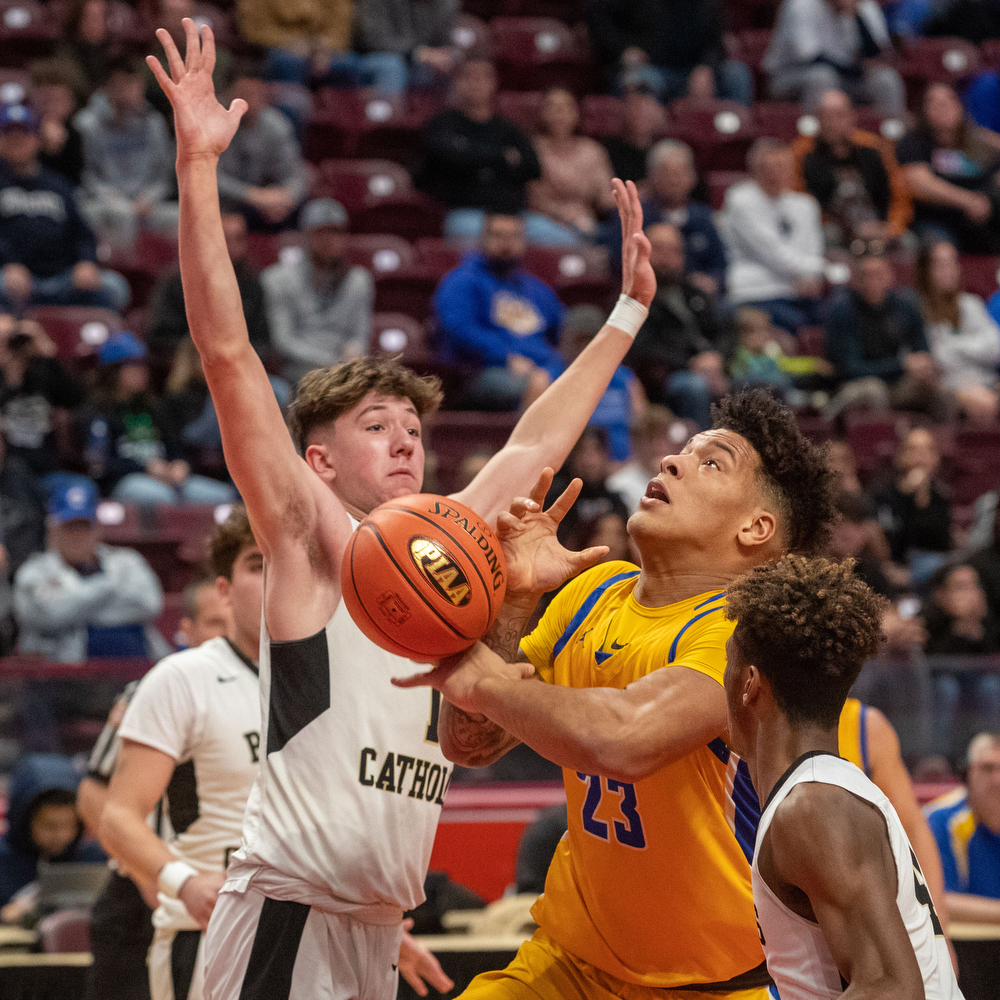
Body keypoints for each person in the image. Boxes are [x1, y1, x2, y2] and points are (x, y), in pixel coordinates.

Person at [146, 18, 658, 1000]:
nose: (405, 441)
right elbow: (227, 356)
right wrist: (199, 169)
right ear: (318, 458)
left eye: (412, 427)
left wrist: (624, 316)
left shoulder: (445, 551)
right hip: (286, 914)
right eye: (377, 426)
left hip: (377, 926)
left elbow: (530, 448)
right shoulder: (307, 537)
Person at [396, 388, 836, 1000]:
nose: (673, 462)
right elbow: (469, 742)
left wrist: (485, 678)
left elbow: (624, 739)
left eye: (712, 463)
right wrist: (514, 603)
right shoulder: (593, 590)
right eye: (681, 452)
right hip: (571, 965)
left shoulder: (749, 634)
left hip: (718, 984)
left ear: (756, 528)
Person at [721, 554, 960, 999]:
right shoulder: (823, 791)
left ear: (749, 683)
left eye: (727, 664)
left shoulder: (812, 807)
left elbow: (892, 989)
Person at [97, 507, 264, 1000]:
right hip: (210, 929)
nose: (276, 578)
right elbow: (117, 818)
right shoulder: (181, 677)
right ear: (225, 591)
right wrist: (183, 881)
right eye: (257, 564)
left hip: (313, 926)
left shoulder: (323, 680)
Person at [77, 577, 231, 1000]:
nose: (226, 632)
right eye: (215, 623)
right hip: (142, 890)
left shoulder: (268, 689)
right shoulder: (152, 689)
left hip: (218, 888)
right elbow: (93, 795)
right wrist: (146, 868)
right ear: (188, 629)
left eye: (231, 621)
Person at [13, 477, 167, 663]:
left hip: (134, 671)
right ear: (53, 530)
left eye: (84, 526)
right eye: (70, 527)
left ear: (97, 529)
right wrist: (109, 588)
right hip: (61, 681)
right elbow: (51, 615)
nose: (77, 536)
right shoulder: (34, 572)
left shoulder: (127, 561)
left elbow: (149, 604)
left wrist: (77, 610)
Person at [75, 331, 238, 507]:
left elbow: (175, 446)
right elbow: (100, 465)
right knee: (163, 498)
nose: (142, 372)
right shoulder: (96, 411)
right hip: (124, 481)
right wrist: (144, 468)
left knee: (226, 498)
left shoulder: (156, 408)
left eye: (143, 365)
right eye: (133, 365)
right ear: (113, 371)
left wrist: (179, 463)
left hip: (169, 479)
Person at [0, 103, 129, 312]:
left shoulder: (59, 185)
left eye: (23, 133)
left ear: (37, 139)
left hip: (63, 278)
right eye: (8, 134)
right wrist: (8, 263)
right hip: (12, 278)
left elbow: (82, 232)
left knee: (116, 287)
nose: (17, 140)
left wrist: (86, 262)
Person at [838, 696, 950, 928]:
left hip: (859, 923)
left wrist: (940, 931)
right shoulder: (750, 718)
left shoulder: (865, 726)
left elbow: (913, 832)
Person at [434, 213, 564, 411]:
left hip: (541, 366)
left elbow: (560, 328)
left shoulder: (536, 288)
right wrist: (505, 356)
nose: (506, 243)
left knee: (609, 381)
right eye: (498, 236)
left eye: (514, 237)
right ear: (483, 239)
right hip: (484, 371)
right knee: (541, 383)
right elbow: (459, 329)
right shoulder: (462, 281)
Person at [416, 59, 547, 242]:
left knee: (566, 243)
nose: (476, 84)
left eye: (483, 77)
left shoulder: (509, 129)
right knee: (473, 239)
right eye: (469, 77)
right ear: (458, 83)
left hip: (513, 216)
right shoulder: (442, 125)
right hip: (466, 214)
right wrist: (503, 156)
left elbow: (532, 167)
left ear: (494, 83)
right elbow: (447, 158)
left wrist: (470, 154)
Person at [625, 222, 730, 426]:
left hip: (710, 371)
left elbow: (723, 333)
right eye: (660, 250)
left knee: (760, 383)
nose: (667, 258)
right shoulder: (632, 299)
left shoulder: (696, 295)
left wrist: (719, 360)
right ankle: (698, 454)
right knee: (694, 386)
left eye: (675, 251)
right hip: (665, 379)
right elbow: (643, 351)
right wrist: (691, 364)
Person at [260, 198, 373, 385]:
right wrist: (330, 362)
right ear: (305, 236)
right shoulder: (277, 279)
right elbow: (282, 340)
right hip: (299, 372)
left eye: (337, 232)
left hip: (346, 372)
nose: (331, 240)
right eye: (321, 233)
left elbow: (359, 336)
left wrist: (354, 353)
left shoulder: (359, 280)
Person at [719, 138, 825, 332]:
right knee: (794, 328)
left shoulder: (805, 205)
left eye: (783, 166)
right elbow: (772, 253)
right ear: (755, 170)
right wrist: (814, 270)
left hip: (800, 294)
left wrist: (813, 273)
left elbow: (814, 251)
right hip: (756, 294)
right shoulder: (741, 201)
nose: (777, 173)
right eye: (770, 167)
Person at [823, 248, 941, 419]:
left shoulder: (906, 307)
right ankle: (877, 443)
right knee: (873, 389)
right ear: (855, 279)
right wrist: (901, 364)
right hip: (852, 385)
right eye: (866, 275)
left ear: (890, 276)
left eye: (879, 274)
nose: (873, 281)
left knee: (941, 394)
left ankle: (930, 443)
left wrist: (925, 368)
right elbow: (851, 368)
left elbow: (922, 351)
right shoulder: (843, 311)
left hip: (897, 383)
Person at [78, 55, 178, 248]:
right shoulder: (87, 124)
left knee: (183, 217)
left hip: (147, 203)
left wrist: (149, 198)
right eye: (121, 85)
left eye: (133, 84)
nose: (128, 91)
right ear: (107, 87)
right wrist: (115, 200)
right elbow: (86, 175)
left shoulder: (153, 122)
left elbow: (164, 176)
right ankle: (125, 272)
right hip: (105, 202)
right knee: (119, 215)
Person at [792, 88, 912, 246]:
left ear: (851, 117)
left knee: (908, 242)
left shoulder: (874, 148)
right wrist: (847, 230)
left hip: (878, 227)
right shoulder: (803, 154)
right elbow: (801, 202)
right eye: (826, 116)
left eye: (839, 115)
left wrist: (892, 227)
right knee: (827, 237)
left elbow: (899, 195)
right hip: (833, 230)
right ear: (818, 120)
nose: (833, 123)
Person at [148, 212, 271, 358]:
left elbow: (262, 340)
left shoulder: (252, 286)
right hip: (188, 368)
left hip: (238, 368)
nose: (231, 247)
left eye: (238, 239)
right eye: (225, 239)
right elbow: (160, 338)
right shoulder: (176, 284)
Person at [895, 83, 1000, 255]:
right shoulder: (915, 141)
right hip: (936, 220)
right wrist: (969, 201)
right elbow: (920, 183)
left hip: (982, 217)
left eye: (949, 101)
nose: (942, 107)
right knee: (942, 251)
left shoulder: (977, 143)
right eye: (934, 103)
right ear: (923, 111)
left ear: (960, 107)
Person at [532, 305, 645, 463]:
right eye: (579, 340)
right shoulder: (543, 381)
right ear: (564, 340)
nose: (585, 348)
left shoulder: (626, 380)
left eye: (591, 340)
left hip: (621, 469)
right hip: (562, 471)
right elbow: (531, 443)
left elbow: (640, 433)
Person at [0, 753, 106, 921]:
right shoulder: (3, 861)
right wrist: (6, 915)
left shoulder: (95, 860)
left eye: (70, 824)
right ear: (23, 821)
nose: (61, 835)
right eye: (49, 826)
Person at [586, 0, 752, 105]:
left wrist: (706, 67)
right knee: (640, 80)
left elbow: (716, 45)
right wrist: (622, 49)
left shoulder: (708, 4)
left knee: (737, 75)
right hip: (650, 67)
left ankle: (734, 139)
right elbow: (596, 14)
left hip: (692, 71)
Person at [763, 0, 906, 113]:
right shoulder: (801, 4)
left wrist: (857, 17)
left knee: (887, 80)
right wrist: (853, 70)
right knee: (823, 76)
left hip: (845, 76)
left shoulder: (864, 7)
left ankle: (885, 140)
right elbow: (810, 58)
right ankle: (815, 137)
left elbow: (876, 54)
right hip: (789, 75)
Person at [916, 238, 1000, 424]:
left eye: (952, 263)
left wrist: (954, 345)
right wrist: (973, 345)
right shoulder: (917, 309)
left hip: (987, 384)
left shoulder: (972, 304)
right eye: (940, 265)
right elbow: (938, 359)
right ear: (925, 270)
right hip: (947, 388)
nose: (948, 271)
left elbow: (996, 348)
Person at [216, 64, 307, 233]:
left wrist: (284, 199)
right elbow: (210, 179)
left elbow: (296, 176)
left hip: (266, 205)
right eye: (243, 94)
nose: (249, 101)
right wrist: (253, 195)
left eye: (255, 94)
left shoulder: (277, 125)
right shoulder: (213, 125)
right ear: (228, 93)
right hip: (222, 205)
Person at [924, 562, 1000, 763]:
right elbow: (930, 657)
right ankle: (937, 760)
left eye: (974, 586)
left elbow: (991, 659)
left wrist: (976, 629)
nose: (970, 593)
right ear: (941, 594)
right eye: (960, 587)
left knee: (991, 687)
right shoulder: (929, 618)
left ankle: (990, 758)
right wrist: (958, 629)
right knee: (946, 687)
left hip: (977, 683)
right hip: (937, 684)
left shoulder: (988, 619)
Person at [925, 732, 1000, 924]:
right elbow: (937, 899)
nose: (997, 781)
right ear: (967, 774)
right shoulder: (940, 821)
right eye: (987, 769)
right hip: (964, 945)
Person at [528, 88, 616, 245]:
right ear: (543, 114)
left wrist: (629, 197)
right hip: (544, 221)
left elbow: (605, 197)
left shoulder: (593, 151)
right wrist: (563, 213)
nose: (560, 114)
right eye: (554, 108)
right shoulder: (534, 149)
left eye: (567, 108)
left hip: (586, 222)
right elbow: (532, 198)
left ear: (577, 114)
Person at [0, 313, 84, 476]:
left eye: (12, 338)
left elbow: (73, 400)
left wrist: (48, 354)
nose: (11, 346)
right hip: (8, 468)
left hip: (44, 460)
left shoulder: (41, 370)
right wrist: (11, 383)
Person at [640, 140, 727, 295]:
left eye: (681, 173)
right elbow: (620, 263)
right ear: (653, 176)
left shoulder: (704, 217)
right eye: (667, 173)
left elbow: (720, 264)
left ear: (693, 177)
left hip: (698, 299)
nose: (675, 180)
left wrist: (712, 280)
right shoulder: (636, 216)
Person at [873, 427, 952, 585]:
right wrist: (906, 495)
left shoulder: (942, 497)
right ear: (899, 456)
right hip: (891, 570)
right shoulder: (882, 494)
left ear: (936, 458)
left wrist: (922, 499)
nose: (921, 455)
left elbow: (941, 546)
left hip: (930, 574)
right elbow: (889, 542)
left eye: (928, 450)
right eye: (913, 449)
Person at [350, 0, 460, 95]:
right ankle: (390, 118)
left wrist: (445, 57)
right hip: (369, 57)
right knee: (392, 66)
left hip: (420, 63)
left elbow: (445, 42)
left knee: (451, 66)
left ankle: (444, 118)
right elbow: (373, 39)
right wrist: (415, 52)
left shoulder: (447, 3)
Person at [606, 404, 678, 512]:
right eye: (651, 439)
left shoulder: (684, 484)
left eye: (664, 437)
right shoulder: (619, 485)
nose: (658, 447)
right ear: (636, 443)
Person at [30, 58, 87, 187]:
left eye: (57, 100)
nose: (50, 107)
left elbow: (80, 181)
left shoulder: (79, 135)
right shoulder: (21, 133)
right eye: (45, 100)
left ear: (71, 103)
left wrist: (58, 147)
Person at [600, 85, 665, 184]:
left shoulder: (666, 148)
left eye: (646, 109)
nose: (640, 114)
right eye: (635, 108)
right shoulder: (609, 149)